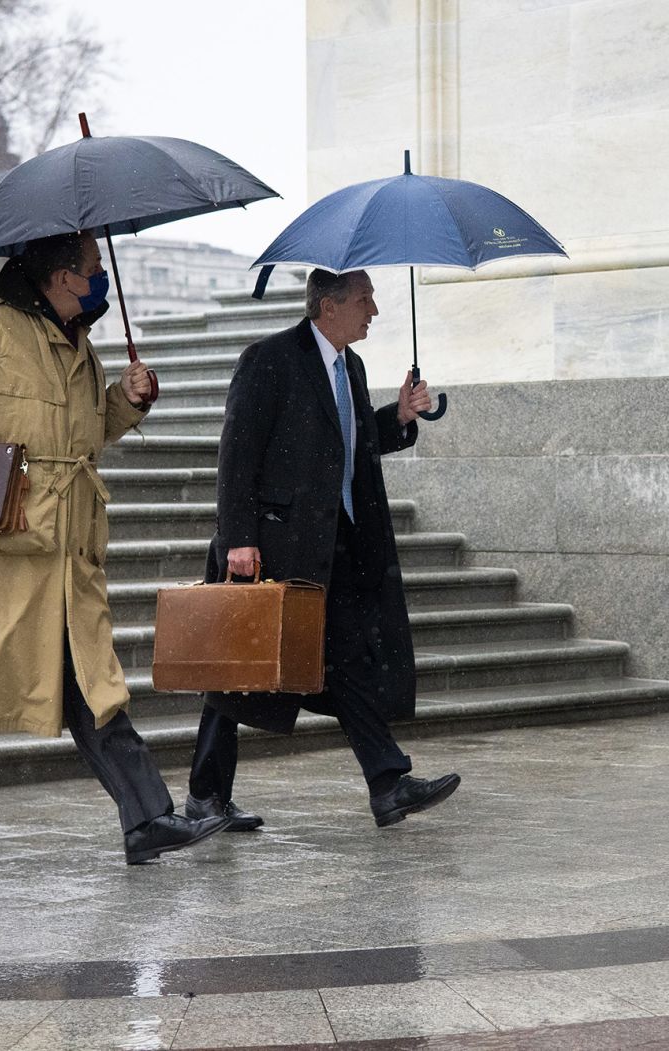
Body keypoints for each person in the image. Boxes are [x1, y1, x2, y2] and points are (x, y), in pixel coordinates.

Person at [0, 231, 230, 870]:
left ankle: (146, 818)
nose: (99, 281)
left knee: (94, 687)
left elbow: (85, 439)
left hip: (65, 552)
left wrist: (126, 401)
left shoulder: (79, 345)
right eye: (92, 269)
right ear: (60, 277)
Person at [183, 268, 461, 830]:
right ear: (329, 306)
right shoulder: (269, 359)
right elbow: (236, 455)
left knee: (349, 661)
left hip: (340, 545)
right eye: (365, 300)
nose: (374, 311)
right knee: (241, 673)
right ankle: (205, 796)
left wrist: (401, 417)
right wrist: (239, 537)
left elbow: (349, 446)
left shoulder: (349, 367)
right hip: (278, 548)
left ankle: (387, 785)